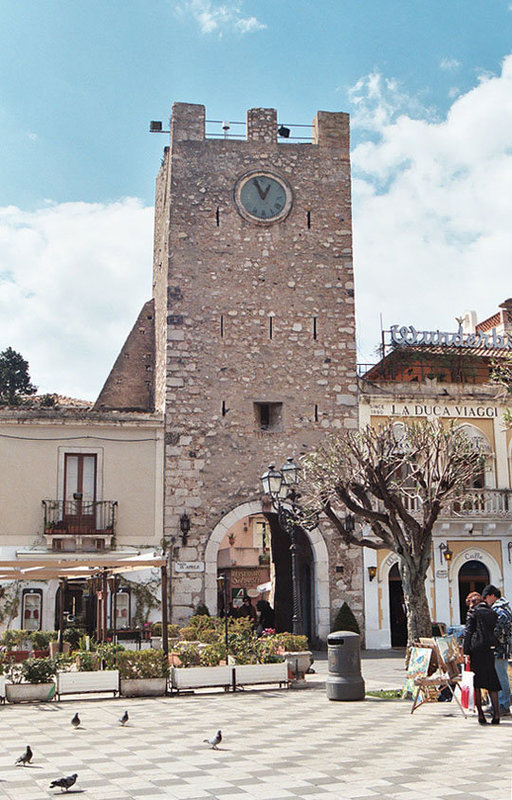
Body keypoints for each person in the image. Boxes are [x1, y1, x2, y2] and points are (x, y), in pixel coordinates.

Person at [463, 593, 501, 724]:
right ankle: (496, 715)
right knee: (492, 682)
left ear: (472, 602)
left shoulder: (473, 613)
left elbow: (468, 633)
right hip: (489, 648)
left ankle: (481, 715)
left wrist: (466, 652)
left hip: (476, 649)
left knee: (477, 683)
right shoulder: (492, 613)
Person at [482, 584, 512, 718]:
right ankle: (498, 703)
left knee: (500, 676)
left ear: (493, 596)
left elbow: (499, 626)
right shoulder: (504, 606)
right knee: (498, 676)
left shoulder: (499, 609)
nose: (486, 601)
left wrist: (490, 636)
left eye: (487, 598)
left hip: (499, 647)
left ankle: (503, 704)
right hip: (501, 647)